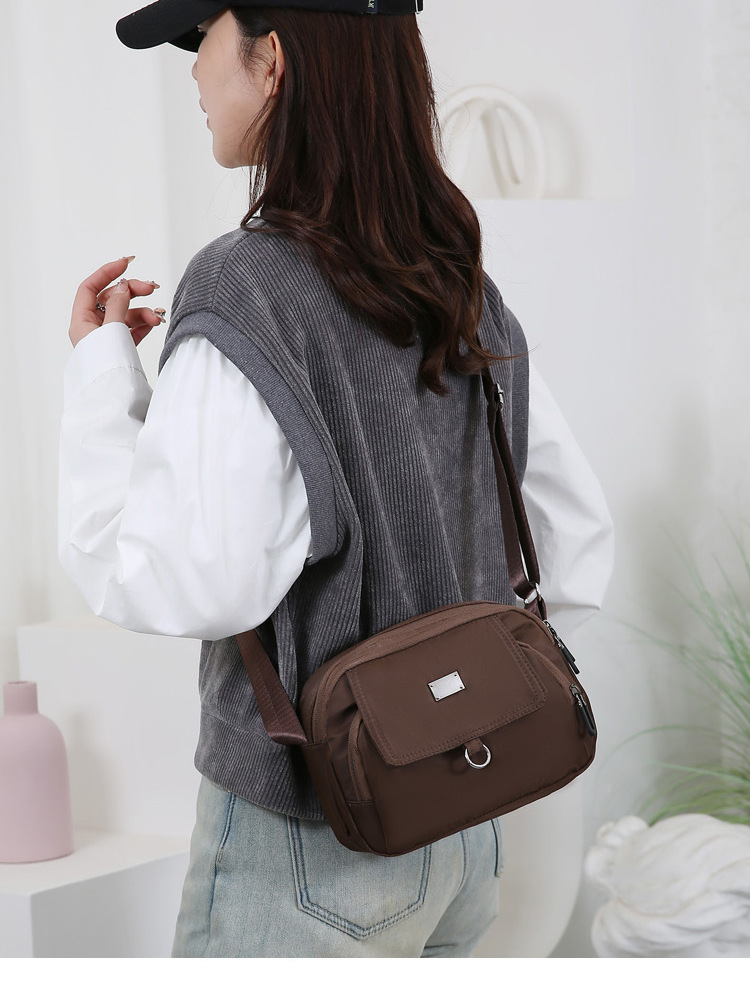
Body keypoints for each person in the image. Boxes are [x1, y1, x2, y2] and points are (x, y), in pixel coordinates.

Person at [58, 2, 615, 958]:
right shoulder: (457, 279)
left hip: (313, 841)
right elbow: (571, 542)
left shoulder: (247, 286)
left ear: (272, 59)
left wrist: (102, 375)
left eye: (203, 39)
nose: (192, 72)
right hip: (466, 823)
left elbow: (188, 579)